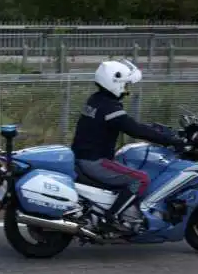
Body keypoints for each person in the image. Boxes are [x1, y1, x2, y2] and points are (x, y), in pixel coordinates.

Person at [70, 59, 188, 230]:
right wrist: (172, 140)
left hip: (83, 156)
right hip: (95, 161)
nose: (126, 89)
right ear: (114, 82)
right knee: (140, 180)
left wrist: (157, 130)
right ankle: (112, 216)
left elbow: (130, 124)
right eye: (125, 84)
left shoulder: (96, 100)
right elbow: (135, 130)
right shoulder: (110, 108)